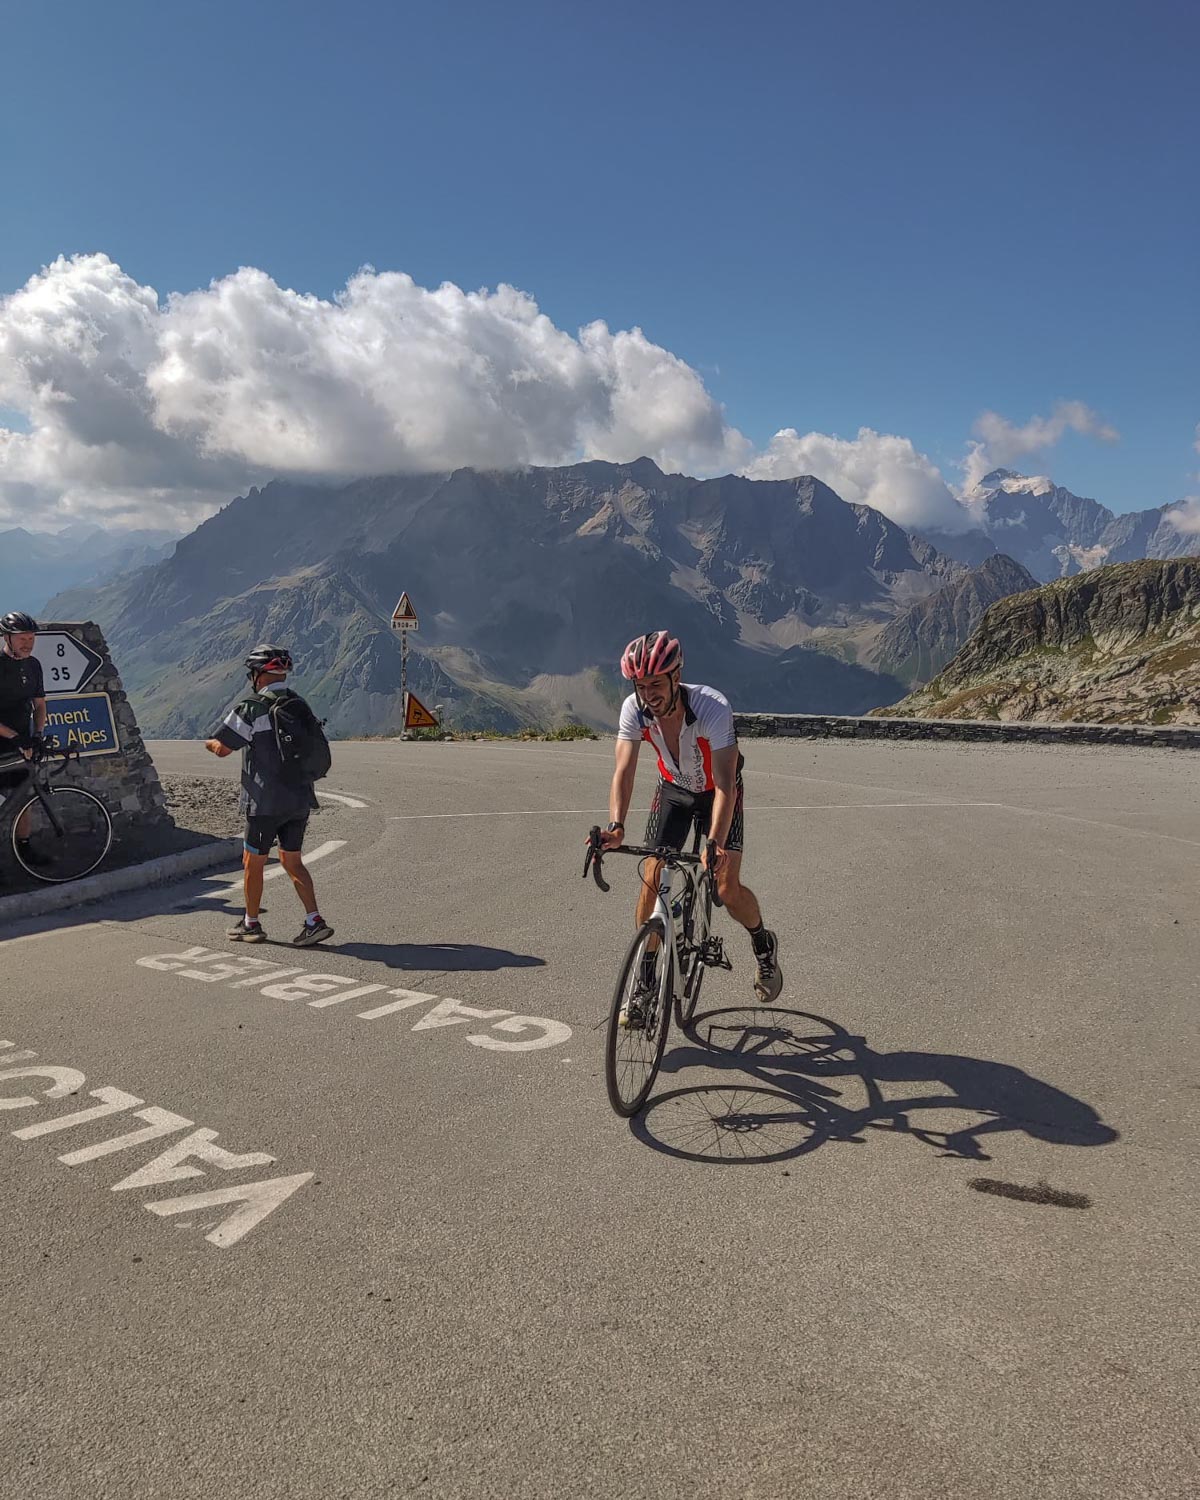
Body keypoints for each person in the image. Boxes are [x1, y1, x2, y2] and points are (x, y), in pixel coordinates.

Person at [600, 629, 782, 1023]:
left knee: (725, 887)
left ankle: (763, 944)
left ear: (675, 676)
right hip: (674, 791)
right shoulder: (634, 709)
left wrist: (714, 842)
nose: (649, 693)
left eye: (656, 684)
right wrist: (616, 827)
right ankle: (646, 985)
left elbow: (726, 787)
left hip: (719, 792)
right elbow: (624, 770)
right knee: (652, 875)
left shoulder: (712, 708)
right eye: (641, 685)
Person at [204, 645, 333, 947]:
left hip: (264, 802)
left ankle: (251, 924)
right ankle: (314, 920)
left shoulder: (251, 707)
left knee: (253, 861)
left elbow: (223, 748)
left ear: (258, 675)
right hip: (300, 798)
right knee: (293, 861)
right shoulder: (299, 704)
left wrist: (207, 743)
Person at [0, 611, 48, 865]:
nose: (28, 643)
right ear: (7, 638)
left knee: (22, 796)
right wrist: (16, 737)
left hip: (20, 742)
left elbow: (39, 705)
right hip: (6, 739)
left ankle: (25, 849)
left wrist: (37, 734)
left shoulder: (34, 665)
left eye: (31, 638)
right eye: (22, 638)